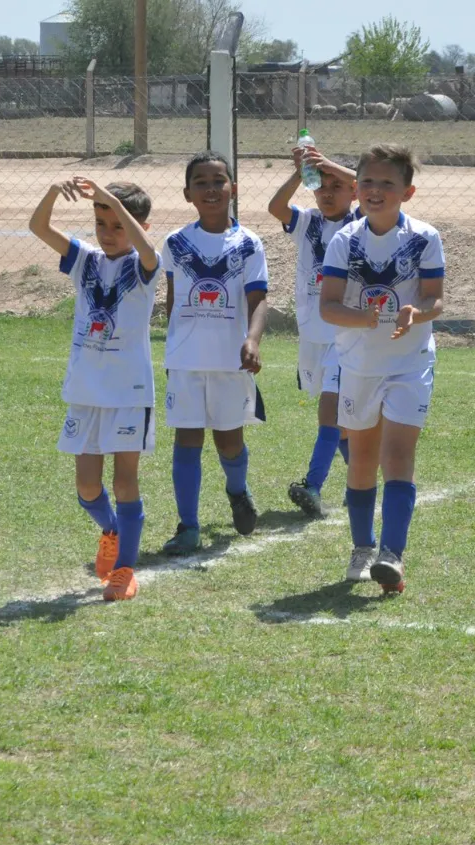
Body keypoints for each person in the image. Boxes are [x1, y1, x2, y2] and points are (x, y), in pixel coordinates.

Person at [319, 144, 445, 591]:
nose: (376, 190)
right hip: (359, 365)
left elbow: (434, 296)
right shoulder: (343, 240)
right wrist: (362, 319)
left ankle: (392, 555)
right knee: (361, 461)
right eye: (368, 182)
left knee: (397, 457)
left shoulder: (424, 238)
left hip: (409, 363)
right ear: (356, 188)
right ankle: (361, 547)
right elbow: (329, 307)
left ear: (406, 193)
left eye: (387, 183)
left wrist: (417, 313)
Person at [29, 176, 160, 601]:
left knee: (125, 482)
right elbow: (39, 227)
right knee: (87, 486)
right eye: (101, 223)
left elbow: (147, 249)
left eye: (117, 224)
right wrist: (53, 192)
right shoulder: (84, 260)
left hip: (128, 392)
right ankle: (112, 531)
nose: (107, 233)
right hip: (86, 391)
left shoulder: (144, 265)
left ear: (138, 224)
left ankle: (125, 570)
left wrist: (112, 202)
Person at [161, 152, 269, 555]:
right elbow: (173, 300)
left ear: (233, 189)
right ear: (188, 193)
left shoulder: (248, 243)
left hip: (230, 360)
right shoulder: (176, 242)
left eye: (219, 181)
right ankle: (188, 526)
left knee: (227, 442)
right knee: (186, 439)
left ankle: (237, 491)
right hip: (186, 361)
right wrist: (175, 346)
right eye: (201, 182)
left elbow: (258, 300)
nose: (211, 188)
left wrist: (252, 340)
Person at [266, 145, 359, 518]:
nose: (328, 192)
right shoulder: (307, 222)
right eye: (321, 185)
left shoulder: (362, 224)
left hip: (346, 334)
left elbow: (368, 184)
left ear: (353, 192)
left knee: (330, 414)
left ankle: (313, 486)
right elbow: (276, 207)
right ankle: (362, 483)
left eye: (337, 185)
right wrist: (300, 171)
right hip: (311, 334)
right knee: (343, 426)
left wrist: (331, 165)